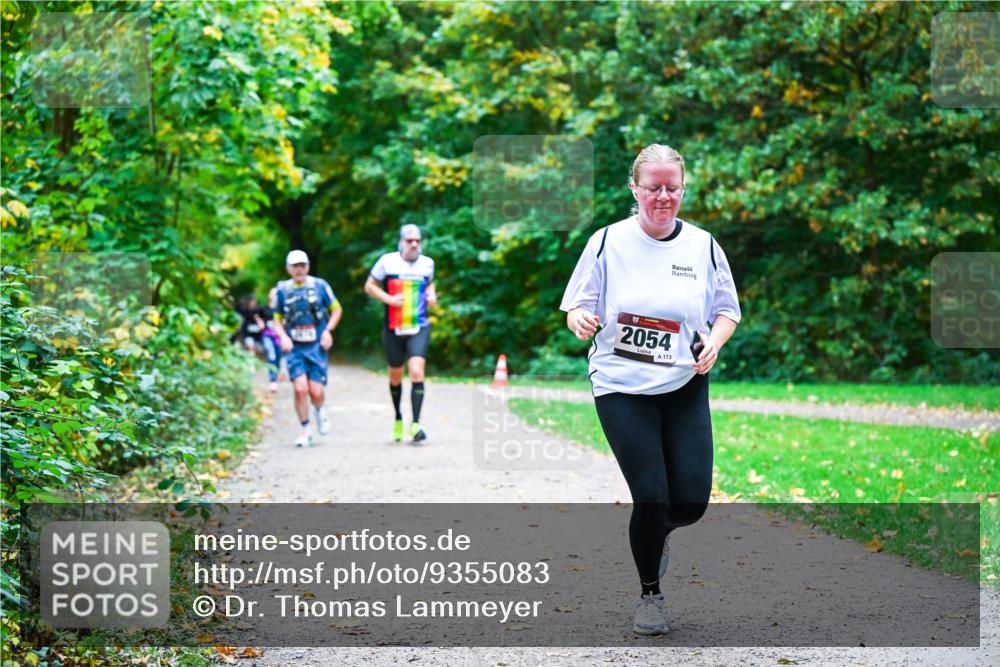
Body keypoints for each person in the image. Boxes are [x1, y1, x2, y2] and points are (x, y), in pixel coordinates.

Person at [560, 144, 740, 635]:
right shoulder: (607, 241)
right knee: (653, 496)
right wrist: (581, 318)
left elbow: (727, 310)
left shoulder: (702, 245)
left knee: (691, 503)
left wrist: (715, 344)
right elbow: (577, 304)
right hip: (620, 384)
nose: (663, 196)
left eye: (672, 188)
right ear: (635, 189)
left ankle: (659, 537)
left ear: (683, 189)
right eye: (653, 187)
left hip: (684, 382)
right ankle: (650, 595)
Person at [364, 224, 437, 443]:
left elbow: (430, 285)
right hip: (394, 326)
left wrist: (432, 297)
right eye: (409, 240)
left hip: (419, 325)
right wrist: (389, 299)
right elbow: (369, 286)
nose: (414, 244)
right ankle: (398, 417)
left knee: (416, 370)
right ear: (402, 242)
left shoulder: (427, 264)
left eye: (417, 240)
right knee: (395, 375)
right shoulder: (388, 261)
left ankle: (416, 424)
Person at [271, 250, 343, 447]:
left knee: (316, 391)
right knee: (300, 388)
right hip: (295, 349)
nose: (299, 269)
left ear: (308, 267)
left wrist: (328, 331)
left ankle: (319, 410)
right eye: (295, 265)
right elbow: (276, 320)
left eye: (302, 265)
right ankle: (305, 430)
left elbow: (336, 309)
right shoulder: (282, 291)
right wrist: (283, 337)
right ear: (288, 269)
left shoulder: (320, 286)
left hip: (317, 346)